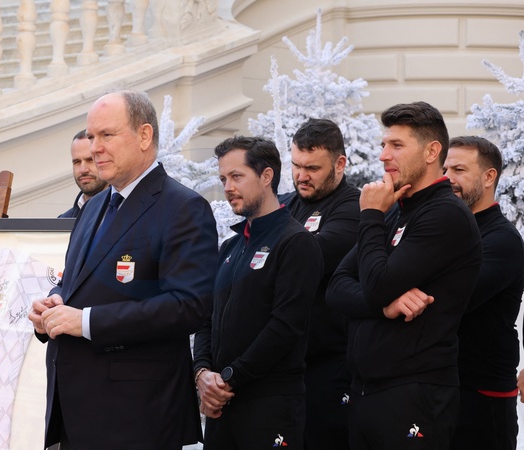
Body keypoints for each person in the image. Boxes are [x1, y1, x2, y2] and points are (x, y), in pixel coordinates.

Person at [28, 90, 219, 450]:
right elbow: (77, 283)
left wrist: (86, 321)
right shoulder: (93, 206)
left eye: (107, 135)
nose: (95, 148)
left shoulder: (183, 208)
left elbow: (189, 306)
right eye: (91, 136)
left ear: (144, 136)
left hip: (137, 419)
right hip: (76, 415)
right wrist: (53, 305)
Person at [326, 101, 482, 449]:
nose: (384, 155)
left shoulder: (445, 214)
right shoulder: (394, 210)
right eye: (384, 145)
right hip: (367, 390)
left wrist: (370, 216)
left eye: (396, 145)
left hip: (414, 393)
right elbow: (336, 287)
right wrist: (384, 306)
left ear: (431, 152)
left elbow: (377, 284)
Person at [193, 136, 323, 449]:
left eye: (237, 176)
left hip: (270, 406)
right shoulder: (230, 247)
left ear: (266, 176)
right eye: (223, 179)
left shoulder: (296, 242)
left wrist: (228, 377)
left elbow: (286, 326)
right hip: (222, 405)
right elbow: (207, 319)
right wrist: (202, 374)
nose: (228, 187)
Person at [280, 118, 359, 449]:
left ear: (339, 164)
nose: (301, 176)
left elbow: (308, 257)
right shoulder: (286, 203)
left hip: (330, 365)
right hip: (285, 364)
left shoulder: (352, 207)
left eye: (312, 168)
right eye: (296, 165)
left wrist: (269, 249)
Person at [443, 136, 524, 450]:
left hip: (482, 395)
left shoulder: (502, 239)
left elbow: (454, 298)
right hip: (439, 387)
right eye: (445, 169)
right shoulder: (446, 229)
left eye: (459, 170)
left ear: (489, 176)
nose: (447, 178)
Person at [58, 129, 108, 218]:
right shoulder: (63, 220)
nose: (83, 170)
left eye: (90, 160)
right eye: (77, 162)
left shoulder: (124, 211)